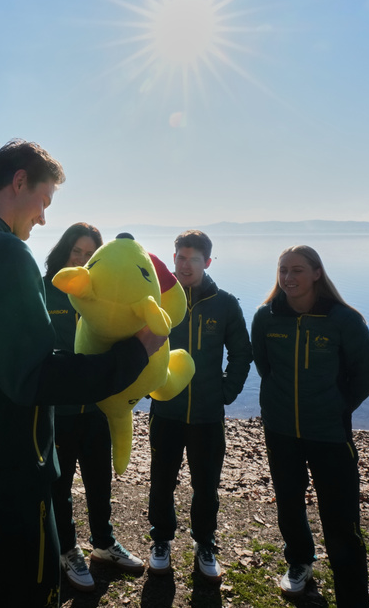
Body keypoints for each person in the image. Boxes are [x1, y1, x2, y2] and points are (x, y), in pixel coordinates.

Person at [0, 139, 166, 607]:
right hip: (10, 475)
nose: (43, 218)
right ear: (19, 182)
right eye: (44, 201)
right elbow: (34, 378)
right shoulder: (4, 253)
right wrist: (133, 357)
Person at [251, 245, 369, 607]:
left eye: (298, 270)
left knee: (340, 523)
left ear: (317, 273)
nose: (289, 278)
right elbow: (264, 366)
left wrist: (337, 407)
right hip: (280, 430)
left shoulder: (344, 319)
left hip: (329, 435)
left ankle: (352, 598)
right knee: (289, 506)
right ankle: (299, 565)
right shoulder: (266, 317)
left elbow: (366, 375)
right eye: (282, 270)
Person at [44, 223, 144, 593]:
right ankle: (68, 550)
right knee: (61, 486)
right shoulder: (45, 290)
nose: (84, 260)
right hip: (60, 411)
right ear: (64, 253)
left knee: (100, 482)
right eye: (77, 252)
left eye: (91, 254)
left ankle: (104, 543)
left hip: (99, 407)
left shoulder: (106, 296)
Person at [147, 230, 252, 581]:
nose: (186, 265)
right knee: (162, 480)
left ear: (207, 262)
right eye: (180, 257)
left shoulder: (225, 304)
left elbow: (241, 352)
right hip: (166, 410)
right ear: (173, 259)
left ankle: (204, 542)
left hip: (208, 415)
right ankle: (161, 540)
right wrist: (147, 384)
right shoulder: (159, 300)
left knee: (206, 485)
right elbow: (138, 344)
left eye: (194, 259)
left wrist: (227, 391)